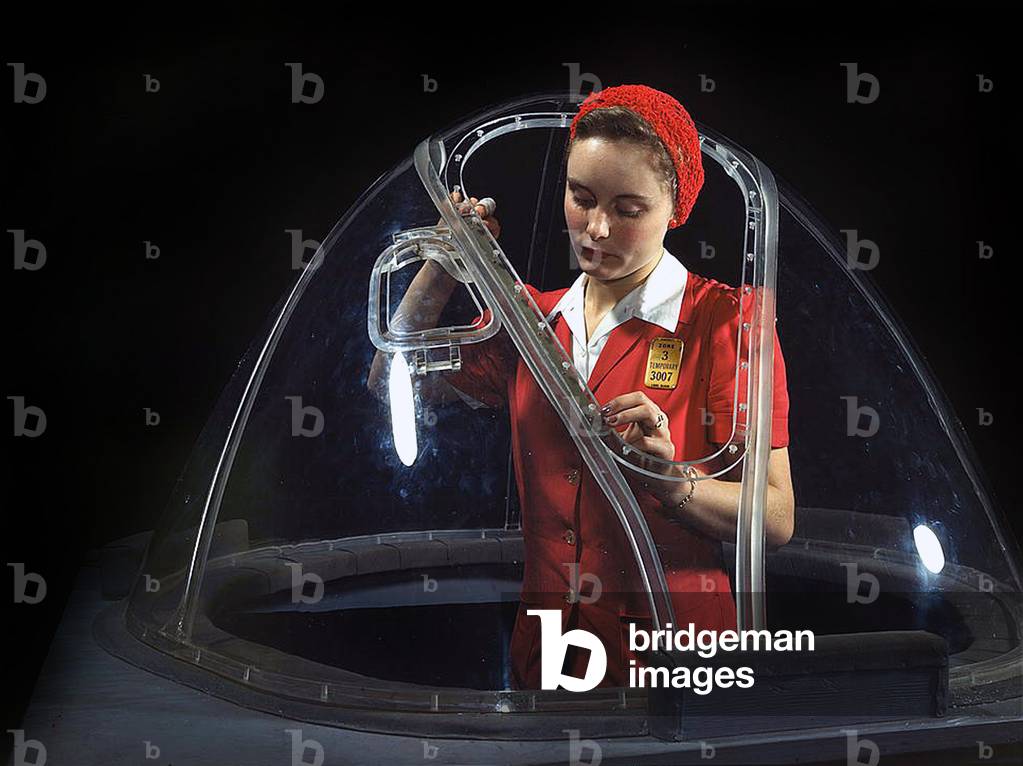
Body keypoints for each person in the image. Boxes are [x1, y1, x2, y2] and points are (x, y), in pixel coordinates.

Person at [368, 84, 794, 689]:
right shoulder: (529, 322)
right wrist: (444, 259)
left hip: (678, 656)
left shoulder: (727, 322)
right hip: (547, 653)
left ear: (675, 208)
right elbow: (391, 380)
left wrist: (672, 481)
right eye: (581, 197)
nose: (596, 228)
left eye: (628, 209)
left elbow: (775, 520)